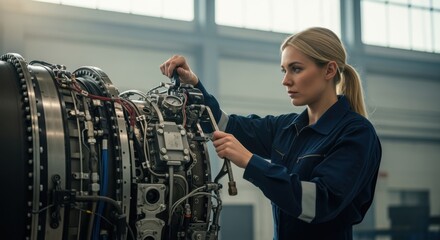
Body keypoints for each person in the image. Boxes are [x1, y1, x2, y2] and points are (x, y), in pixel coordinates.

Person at [160, 27, 382, 240]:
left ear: (329, 70)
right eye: (284, 70)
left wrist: (250, 162)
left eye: (296, 69)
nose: (286, 81)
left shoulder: (356, 133)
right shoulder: (287, 127)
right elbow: (227, 125)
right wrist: (195, 85)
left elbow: (318, 203)